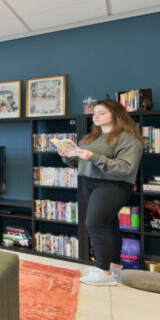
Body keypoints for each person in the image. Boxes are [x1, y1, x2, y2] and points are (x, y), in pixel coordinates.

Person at [58, 99, 144, 286]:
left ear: (116, 114)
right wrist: (67, 157)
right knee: (109, 225)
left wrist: (94, 157)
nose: (95, 116)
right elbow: (80, 163)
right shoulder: (90, 138)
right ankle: (113, 266)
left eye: (101, 113)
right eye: (94, 112)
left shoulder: (129, 139)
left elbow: (126, 168)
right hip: (89, 183)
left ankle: (103, 271)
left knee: (94, 224)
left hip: (113, 185)